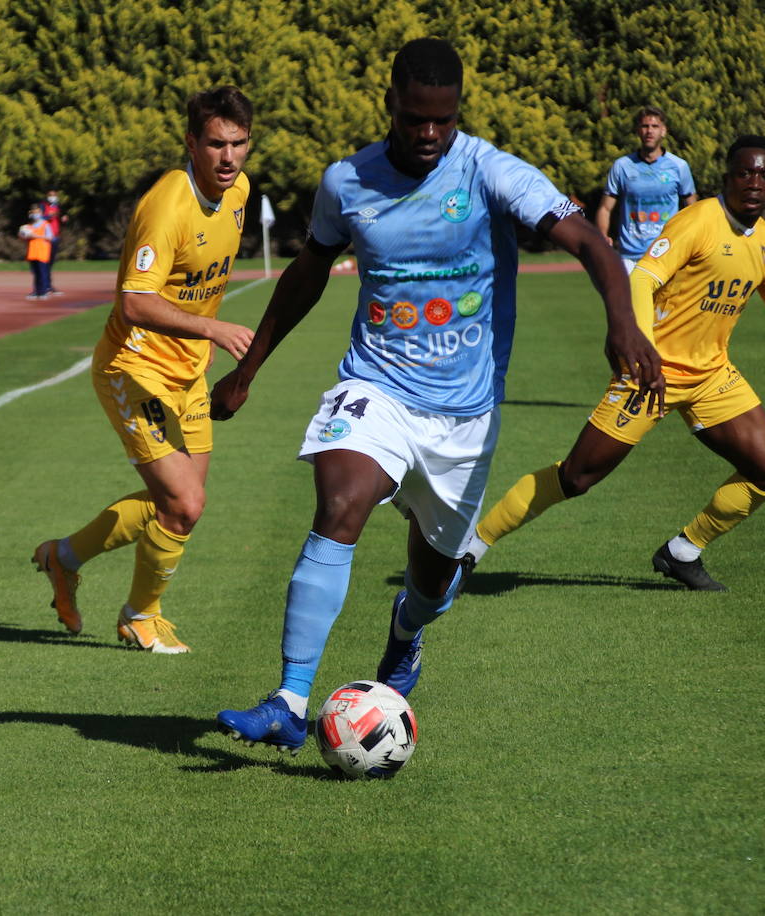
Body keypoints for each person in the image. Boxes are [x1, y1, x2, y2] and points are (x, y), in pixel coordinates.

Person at [213, 38, 662, 750]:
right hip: (376, 387)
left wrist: (622, 322)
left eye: (443, 121)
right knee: (339, 503)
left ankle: (405, 633)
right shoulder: (346, 181)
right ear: (390, 102)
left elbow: (588, 242)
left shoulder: (490, 171)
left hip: (464, 417)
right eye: (417, 118)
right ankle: (290, 700)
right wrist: (248, 369)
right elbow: (309, 270)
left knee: (432, 583)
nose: (429, 135)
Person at [471, 135, 765, 590]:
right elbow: (642, 281)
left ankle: (682, 551)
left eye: (764, 174)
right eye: (745, 172)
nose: (754, 182)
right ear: (726, 178)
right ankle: (471, 547)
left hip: (711, 376)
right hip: (652, 374)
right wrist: (644, 353)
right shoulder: (697, 222)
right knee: (576, 477)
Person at [31, 86, 255, 654]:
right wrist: (213, 329)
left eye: (239, 143)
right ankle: (140, 616)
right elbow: (135, 302)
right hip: (133, 368)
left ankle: (65, 557)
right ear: (191, 143)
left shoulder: (240, 191)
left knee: (176, 506)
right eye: (215, 144)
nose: (228, 158)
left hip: (188, 373)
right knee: (184, 503)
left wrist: (208, 349)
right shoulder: (166, 206)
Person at [595, 106, 697, 273]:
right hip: (629, 256)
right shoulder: (622, 166)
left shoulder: (679, 166)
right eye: (645, 126)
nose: (649, 131)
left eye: (655, 126)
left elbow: (692, 208)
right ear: (638, 131)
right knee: (629, 300)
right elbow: (605, 208)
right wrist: (602, 236)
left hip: (666, 253)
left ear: (663, 131)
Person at [19, 204, 54, 300]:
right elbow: (24, 237)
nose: (35, 214)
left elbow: (50, 237)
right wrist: (22, 235)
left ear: (41, 213)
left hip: (42, 252)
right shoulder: (29, 226)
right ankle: (36, 291)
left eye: (37, 212)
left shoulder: (45, 224)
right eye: (33, 212)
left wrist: (36, 236)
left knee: (42, 272)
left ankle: (43, 291)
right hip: (32, 252)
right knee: (35, 273)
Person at [41, 189, 63, 293]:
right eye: (50, 195)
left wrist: (63, 219)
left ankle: (48, 285)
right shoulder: (43, 206)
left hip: (55, 237)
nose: (52, 197)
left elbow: (59, 220)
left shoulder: (58, 207)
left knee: (50, 263)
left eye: (54, 195)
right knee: (44, 262)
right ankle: (44, 285)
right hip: (46, 238)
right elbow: (39, 218)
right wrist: (49, 216)